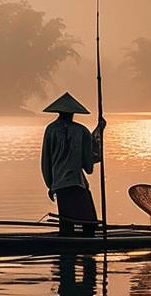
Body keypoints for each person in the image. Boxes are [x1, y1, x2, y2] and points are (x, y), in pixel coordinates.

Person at [40, 92, 104, 236]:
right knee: (90, 226)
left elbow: (46, 161)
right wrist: (99, 132)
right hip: (77, 183)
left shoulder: (51, 130)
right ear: (73, 113)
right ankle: (79, 251)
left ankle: (68, 252)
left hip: (61, 185)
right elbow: (88, 164)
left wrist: (51, 185)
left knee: (67, 226)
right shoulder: (81, 131)